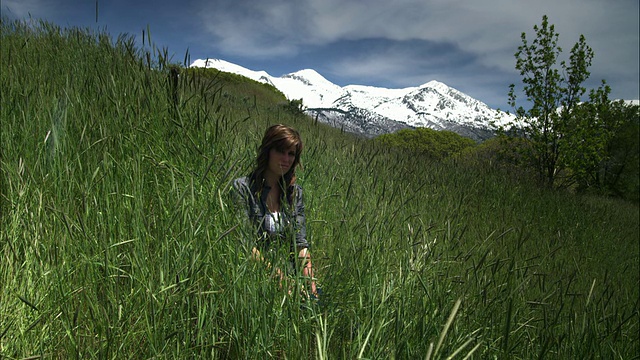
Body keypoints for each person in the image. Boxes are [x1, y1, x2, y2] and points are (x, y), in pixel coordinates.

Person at [232, 124, 318, 297]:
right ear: (268, 151)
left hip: (292, 275)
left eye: (291, 154)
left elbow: (301, 244)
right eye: (280, 151)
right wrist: (281, 279)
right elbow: (245, 244)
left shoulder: (294, 193)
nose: (286, 159)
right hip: (259, 275)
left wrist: (310, 283)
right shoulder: (243, 188)